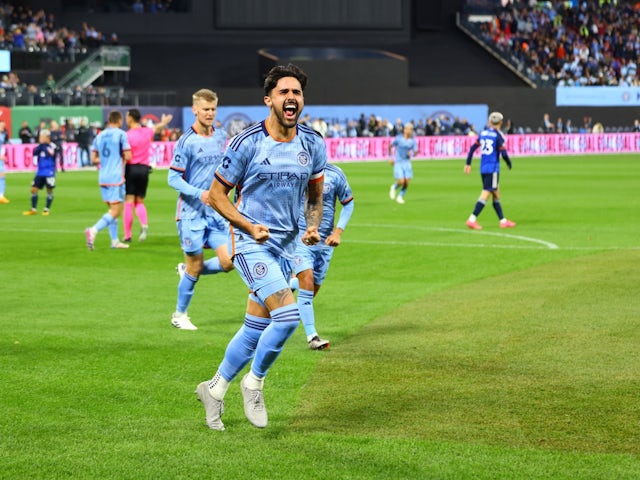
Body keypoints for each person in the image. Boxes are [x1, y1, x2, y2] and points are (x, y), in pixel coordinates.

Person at [196, 63, 325, 431]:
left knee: (255, 326)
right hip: (250, 241)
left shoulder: (313, 143)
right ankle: (254, 384)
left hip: (288, 244)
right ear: (268, 99)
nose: (291, 98)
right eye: (283, 92)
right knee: (287, 315)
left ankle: (215, 389)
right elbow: (217, 196)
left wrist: (313, 226)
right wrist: (248, 225)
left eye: (296, 92)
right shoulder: (246, 142)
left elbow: (315, 194)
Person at [167, 89, 233, 331]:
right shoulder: (186, 142)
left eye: (213, 109)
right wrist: (199, 193)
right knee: (196, 265)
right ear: (195, 110)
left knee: (229, 261)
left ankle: (187, 271)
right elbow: (173, 179)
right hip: (191, 213)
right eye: (205, 109)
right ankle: (179, 315)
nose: (210, 113)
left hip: (215, 213)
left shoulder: (221, 136)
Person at [290, 162, 354, 350]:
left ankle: (285, 285)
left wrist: (338, 232)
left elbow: (348, 203)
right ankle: (312, 337)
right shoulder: (296, 171)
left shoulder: (335, 174)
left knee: (311, 289)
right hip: (301, 239)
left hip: (325, 243)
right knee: (307, 284)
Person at [124, 108, 173, 243]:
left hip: (132, 167)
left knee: (129, 201)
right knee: (140, 201)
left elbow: (125, 154)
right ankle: (144, 224)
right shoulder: (146, 131)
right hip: (145, 169)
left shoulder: (127, 135)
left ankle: (127, 235)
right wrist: (163, 122)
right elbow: (157, 128)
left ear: (130, 118)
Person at [84, 111, 132, 250]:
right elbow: (128, 156)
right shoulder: (121, 134)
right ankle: (93, 230)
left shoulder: (99, 136)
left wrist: (106, 160)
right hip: (115, 177)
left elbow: (94, 159)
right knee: (116, 211)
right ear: (119, 120)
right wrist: (119, 158)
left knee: (112, 210)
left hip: (103, 177)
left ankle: (114, 241)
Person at [464, 111, 516, 230]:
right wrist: (509, 163)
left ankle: (503, 221)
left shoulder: (483, 133)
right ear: (501, 122)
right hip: (492, 168)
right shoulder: (498, 135)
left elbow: (472, 148)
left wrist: (468, 163)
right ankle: (472, 219)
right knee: (486, 193)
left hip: (483, 168)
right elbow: (503, 153)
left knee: (496, 193)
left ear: (490, 122)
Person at [23, 129, 57, 215]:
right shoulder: (40, 146)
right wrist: (41, 145)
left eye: (41, 137)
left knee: (49, 190)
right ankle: (33, 209)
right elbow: (35, 153)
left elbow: (50, 153)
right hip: (40, 171)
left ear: (47, 137)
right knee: (33, 189)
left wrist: (44, 145)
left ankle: (46, 209)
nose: (40, 138)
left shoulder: (52, 146)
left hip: (49, 171)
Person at [388, 122, 417, 204]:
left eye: (411, 129)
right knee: (401, 181)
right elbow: (390, 146)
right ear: (404, 130)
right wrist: (390, 158)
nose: (409, 131)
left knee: (407, 182)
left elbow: (415, 152)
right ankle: (394, 187)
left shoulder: (412, 141)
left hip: (407, 163)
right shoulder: (399, 138)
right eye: (408, 129)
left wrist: (411, 153)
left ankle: (400, 196)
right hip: (398, 162)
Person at [0, 122, 8, 204]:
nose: (3, 126)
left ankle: (1, 196)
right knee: (1, 176)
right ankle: (1, 196)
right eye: (1, 125)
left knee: (2, 176)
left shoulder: (2, 135)